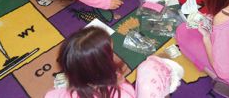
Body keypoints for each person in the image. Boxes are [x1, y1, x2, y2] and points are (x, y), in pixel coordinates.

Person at [45, 27, 184, 98]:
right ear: (102, 66)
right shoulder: (122, 92)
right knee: (150, 66)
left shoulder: (54, 95)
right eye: (110, 54)